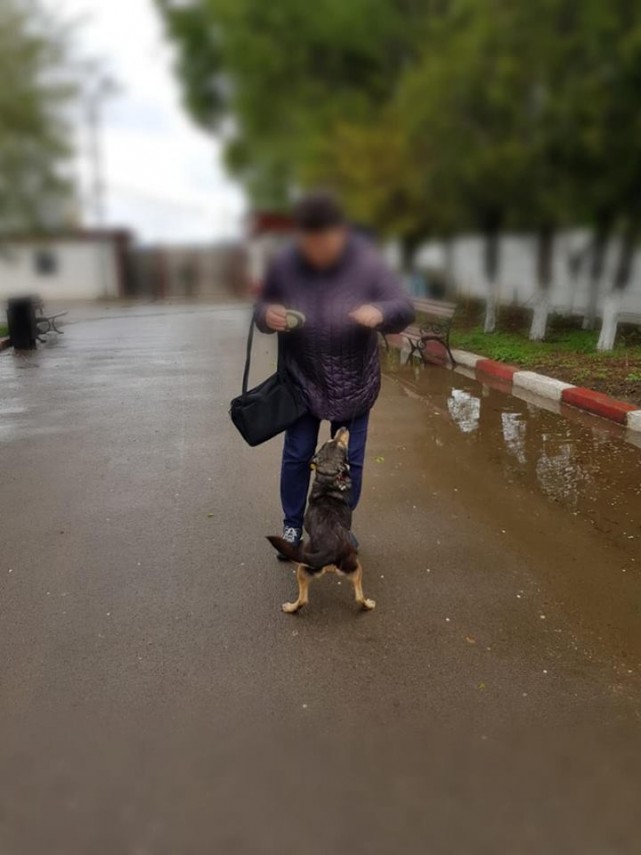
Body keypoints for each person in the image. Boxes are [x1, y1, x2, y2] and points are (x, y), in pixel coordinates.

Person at [255, 191, 415, 554]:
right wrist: (267, 314)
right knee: (297, 454)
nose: (315, 252)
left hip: (354, 382)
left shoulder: (368, 263)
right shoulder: (285, 263)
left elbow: (403, 307)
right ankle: (292, 525)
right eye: (307, 243)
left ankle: (339, 527)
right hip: (301, 378)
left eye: (324, 242)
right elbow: (262, 305)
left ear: (341, 233)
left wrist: (380, 312)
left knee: (350, 462)